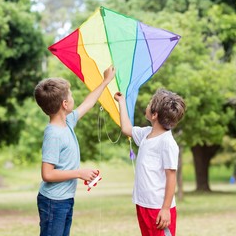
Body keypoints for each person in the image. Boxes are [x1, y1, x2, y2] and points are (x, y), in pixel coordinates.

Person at [34, 65, 115, 236]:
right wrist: (79, 173)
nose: (73, 97)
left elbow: (89, 102)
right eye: (70, 95)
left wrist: (105, 81)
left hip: (64, 200)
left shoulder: (68, 122)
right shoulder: (54, 134)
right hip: (53, 202)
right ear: (64, 104)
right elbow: (47, 174)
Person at [114, 89, 186, 236]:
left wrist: (165, 209)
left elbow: (171, 176)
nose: (147, 105)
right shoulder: (146, 133)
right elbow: (126, 129)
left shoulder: (167, 143)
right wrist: (121, 102)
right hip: (143, 204)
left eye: (149, 104)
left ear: (154, 115)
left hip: (158, 208)